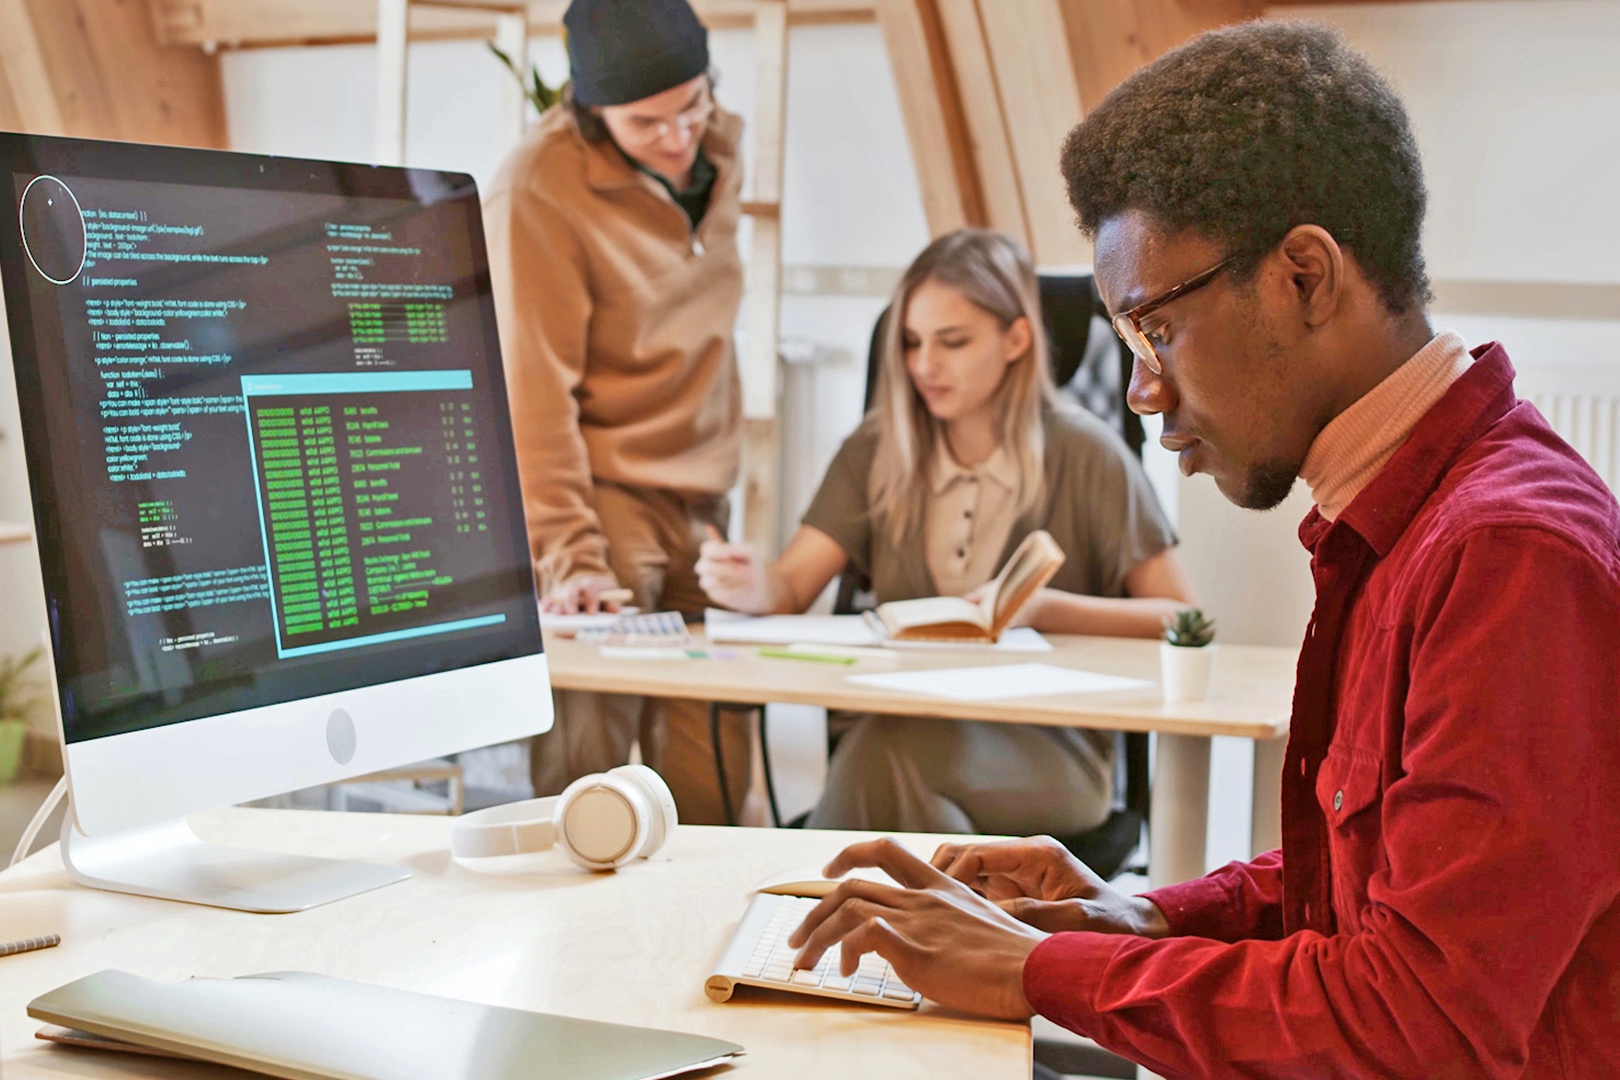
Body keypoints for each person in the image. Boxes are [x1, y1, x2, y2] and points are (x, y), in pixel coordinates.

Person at [783, 23, 1620, 1079]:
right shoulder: (1408, 518)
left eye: (1156, 332)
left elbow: (1420, 1021)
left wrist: (1037, 970)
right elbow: (1363, 894)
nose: (1142, 391)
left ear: (1305, 276)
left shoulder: (1506, 556)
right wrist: (1130, 913)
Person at [698, 229, 1194, 836]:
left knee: (885, 760)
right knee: (915, 804)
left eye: (952, 342)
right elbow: (789, 588)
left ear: (1016, 339)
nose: (924, 366)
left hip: (1045, 751)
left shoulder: (1089, 455)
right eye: (911, 342)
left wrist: (1044, 609)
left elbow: (1184, 620)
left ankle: (795, 905)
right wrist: (750, 585)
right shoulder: (876, 451)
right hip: (900, 724)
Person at [483, 0, 752, 824]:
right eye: (647, 123)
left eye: (691, 106)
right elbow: (532, 394)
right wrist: (571, 556)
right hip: (603, 503)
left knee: (713, 777)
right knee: (592, 794)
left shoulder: (718, 144)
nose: (678, 138)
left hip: (705, 500)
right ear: (591, 110)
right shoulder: (538, 189)